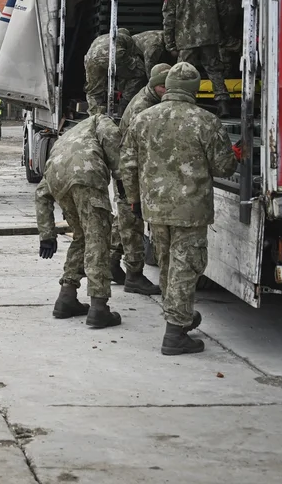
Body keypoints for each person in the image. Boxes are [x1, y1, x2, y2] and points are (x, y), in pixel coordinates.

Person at [121, 63, 239, 355]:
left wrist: (135, 200)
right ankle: (175, 334)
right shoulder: (206, 121)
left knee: (168, 266)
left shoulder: (143, 119)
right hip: (190, 210)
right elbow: (223, 166)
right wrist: (238, 156)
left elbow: (128, 164)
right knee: (186, 268)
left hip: (154, 208)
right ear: (195, 89)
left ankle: (179, 318)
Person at [34, 113, 124, 328]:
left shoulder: (68, 136)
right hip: (86, 175)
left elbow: (41, 195)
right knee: (98, 240)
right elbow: (116, 151)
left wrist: (47, 235)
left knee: (82, 237)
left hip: (57, 175)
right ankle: (99, 307)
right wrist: (123, 184)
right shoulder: (102, 120)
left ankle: (66, 297)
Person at [109, 63, 171, 296]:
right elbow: (133, 151)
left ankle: (112, 263)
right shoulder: (143, 109)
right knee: (132, 224)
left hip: (131, 171)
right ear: (155, 85)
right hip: (130, 173)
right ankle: (134, 276)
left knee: (123, 221)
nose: (168, 90)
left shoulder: (151, 100)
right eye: (164, 86)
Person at [163, 0, 232, 118]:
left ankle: (180, 105)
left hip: (185, 40)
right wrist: (222, 32)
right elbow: (224, 10)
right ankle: (223, 104)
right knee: (214, 69)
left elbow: (168, 20)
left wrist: (170, 45)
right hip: (209, 37)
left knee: (182, 72)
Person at [83, 28, 147, 116]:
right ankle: (124, 105)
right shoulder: (127, 38)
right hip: (114, 54)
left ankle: (94, 116)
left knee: (94, 90)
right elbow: (130, 61)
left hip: (91, 58)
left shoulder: (101, 37)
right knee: (139, 72)